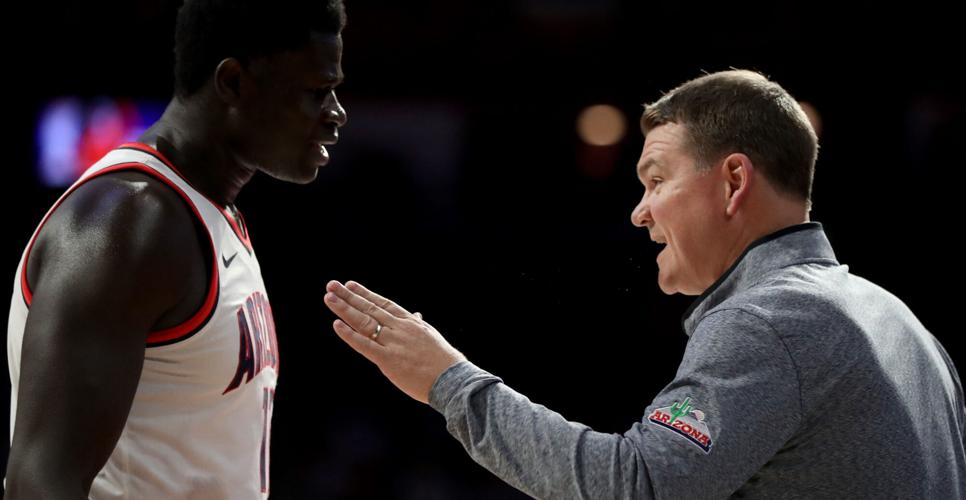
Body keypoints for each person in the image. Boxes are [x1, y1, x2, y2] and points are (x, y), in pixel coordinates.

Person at [323, 70, 966, 498]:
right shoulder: (899, 321)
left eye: (656, 179)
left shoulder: (771, 320)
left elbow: (634, 486)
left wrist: (449, 383)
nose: (639, 210)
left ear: (734, 182)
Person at [5, 0, 347, 498]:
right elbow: (40, 482)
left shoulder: (210, 213)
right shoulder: (127, 223)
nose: (337, 115)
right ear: (232, 82)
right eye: (318, 92)